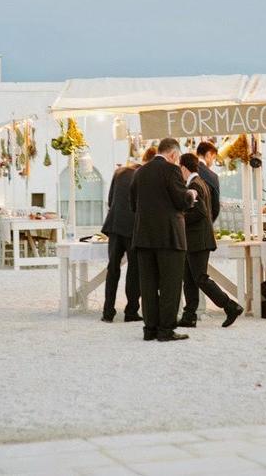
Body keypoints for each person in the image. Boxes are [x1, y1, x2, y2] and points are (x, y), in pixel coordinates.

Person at [130, 138, 196, 342]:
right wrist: (191, 194)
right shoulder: (171, 170)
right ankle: (166, 330)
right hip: (169, 237)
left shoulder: (140, 171)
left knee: (148, 285)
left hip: (144, 236)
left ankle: (150, 329)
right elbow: (180, 200)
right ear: (174, 154)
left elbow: (133, 204)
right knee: (170, 284)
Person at [177, 153, 243, 328]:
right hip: (195, 239)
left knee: (200, 278)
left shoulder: (194, 185)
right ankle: (189, 315)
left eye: (179, 168)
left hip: (197, 239)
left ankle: (230, 306)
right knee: (189, 278)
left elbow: (199, 212)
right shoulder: (200, 183)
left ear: (184, 167)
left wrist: (180, 217)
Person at [101, 162, 142, 323]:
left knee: (113, 269)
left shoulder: (119, 173)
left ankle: (108, 312)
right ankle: (131, 311)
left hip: (114, 225)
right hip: (132, 228)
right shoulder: (141, 176)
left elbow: (110, 201)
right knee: (134, 270)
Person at [196, 141, 220, 223]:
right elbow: (215, 207)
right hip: (205, 223)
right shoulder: (213, 176)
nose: (212, 162)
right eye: (213, 158)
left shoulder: (185, 170)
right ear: (208, 154)